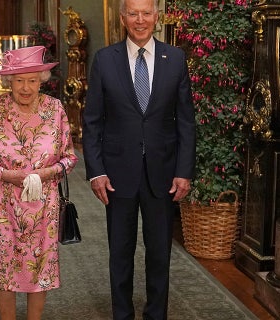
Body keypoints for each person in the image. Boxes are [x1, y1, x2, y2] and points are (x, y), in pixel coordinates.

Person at [82, 0, 196, 319]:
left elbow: (186, 120)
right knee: (120, 254)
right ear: (123, 18)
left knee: (159, 254)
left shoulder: (175, 59)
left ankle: (156, 315)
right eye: (133, 13)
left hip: (163, 173)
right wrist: (96, 172)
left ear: (156, 17)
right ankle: (122, 315)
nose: (140, 20)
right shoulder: (105, 60)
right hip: (117, 175)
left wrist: (184, 171)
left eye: (146, 13)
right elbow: (92, 121)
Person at [0, 45, 78, 319]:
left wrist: (47, 173)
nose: (25, 88)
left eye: (31, 80)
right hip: (3, 206)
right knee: (4, 268)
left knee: (40, 269)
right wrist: (7, 175)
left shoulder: (56, 109)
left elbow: (70, 159)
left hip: (44, 206)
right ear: (9, 82)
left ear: (41, 80)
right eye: (19, 81)